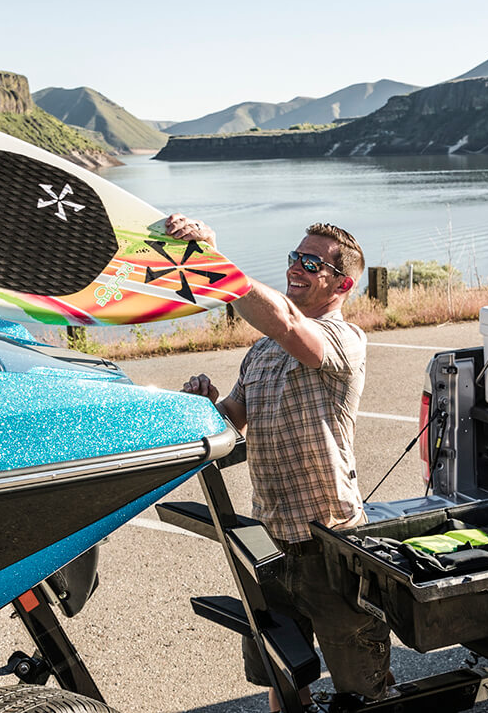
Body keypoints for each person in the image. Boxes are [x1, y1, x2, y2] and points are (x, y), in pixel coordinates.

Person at [165, 213, 392, 709]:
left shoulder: (344, 339)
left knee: (363, 689)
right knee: (286, 678)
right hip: (268, 539)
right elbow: (229, 424)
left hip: (330, 542)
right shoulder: (261, 352)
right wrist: (203, 406)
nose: (296, 268)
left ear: (343, 283)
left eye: (311, 263)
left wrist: (214, 260)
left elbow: (289, 322)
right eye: (294, 257)